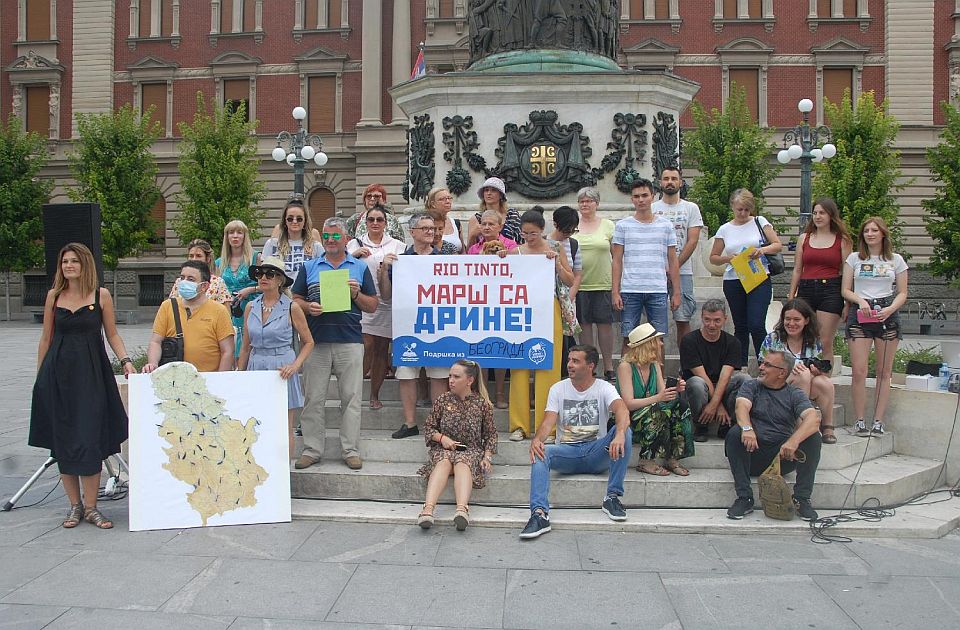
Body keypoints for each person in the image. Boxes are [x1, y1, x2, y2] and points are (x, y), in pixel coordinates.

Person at [29, 243, 135, 530]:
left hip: (91, 374)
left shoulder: (100, 295)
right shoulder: (54, 296)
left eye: (74, 261)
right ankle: (74, 506)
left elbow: (111, 333)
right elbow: (45, 339)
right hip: (59, 374)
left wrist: (125, 360)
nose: (69, 266)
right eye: (65, 261)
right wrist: (40, 377)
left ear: (84, 264)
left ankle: (92, 507)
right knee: (63, 440)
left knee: (89, 438)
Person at [519, 345, 632, 539]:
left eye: (575, 361)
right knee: (541, 451)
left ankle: (612, 498)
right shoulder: (558, 388)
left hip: (596, 452)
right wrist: (538, 439)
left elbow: (622, 410)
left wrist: (620, 432)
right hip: (567, 453)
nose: (569, 365)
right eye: (569, 360)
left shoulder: (605, 387)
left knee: (626, 432)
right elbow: (548, 422)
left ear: (590, 366)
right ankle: (539, 514)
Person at [292, 217, 378, 470]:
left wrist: (356, 295)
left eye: (335, 236)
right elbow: (295, 300)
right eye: (326, 237)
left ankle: (350, 450)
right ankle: (311, 449)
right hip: (315, 342)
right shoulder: (309, 267)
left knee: (351, 399)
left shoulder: (360, 267)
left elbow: (372, 305)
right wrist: (308, 306)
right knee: (313, 399)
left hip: (350, 340)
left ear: (345, 239)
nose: (330, 241)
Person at [725, 350, 822, 521]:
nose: (761, 367)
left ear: (782, 373)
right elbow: (741, 406)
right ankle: (744, 498)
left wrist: (793, 441)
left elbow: (813, 419)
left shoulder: (794, 394)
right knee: (734, 433)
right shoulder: (751, 386)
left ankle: (801, 498)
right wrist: (747, 429)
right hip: (752, 453)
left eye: (767, 365)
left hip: (782, 458)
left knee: (813, 437)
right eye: (762, 363)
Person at [506, 209, 574, 442]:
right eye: (524, 233)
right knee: (519, 366)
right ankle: (519, 425)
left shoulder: (555, 248)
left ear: (542, 230)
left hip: (549, 308)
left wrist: (557, 266)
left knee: (549, 366)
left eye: (533, 233)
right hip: (521, 311)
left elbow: (571, 280)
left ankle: (548, 426)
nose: (528, 237)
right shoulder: (515, 251)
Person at [379, 213, 450, 438]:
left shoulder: (445, 259)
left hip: (438, 325)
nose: (431, 232)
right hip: (408, 326)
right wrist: (384, 270)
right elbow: (386, 295)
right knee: (407, 373)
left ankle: (437, 425)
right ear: (413, 232)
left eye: (432, 228)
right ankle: (410, 423)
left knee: (438, 375)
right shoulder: (401, 260)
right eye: (425, 228)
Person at [238, 256, 315, 458]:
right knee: (256, 424)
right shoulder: (250, 307)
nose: (264, 277)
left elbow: (309, 341)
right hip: (256, 365)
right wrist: (239, 374)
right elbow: (245, 347)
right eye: (260, 274)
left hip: (282, 367)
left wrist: (296, 365)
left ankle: (284, 475)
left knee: (283, 425)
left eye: (270, 274)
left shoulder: (292, 307)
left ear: (280, 280)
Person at [841, 216, 908, 437]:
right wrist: (860, 301)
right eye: (866, 230)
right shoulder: (854, 259)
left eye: (874, 230)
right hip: (861, 313)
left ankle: (878, 421)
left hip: (887, 313)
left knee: (883, 371)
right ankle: (859, 420)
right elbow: (846, 289)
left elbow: (903, 292)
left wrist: (889, 310)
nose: (870, 234)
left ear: (883, 234)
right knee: (859, 371)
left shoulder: (896, 260)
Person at [416, 360, 497, 531]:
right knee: (444, 461)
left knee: (462, 462)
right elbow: (429, 427)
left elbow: (490, 434)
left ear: (470, 380)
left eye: (456, 377)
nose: (451, 380)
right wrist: (442, 438)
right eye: (450, 376)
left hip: (470, 450)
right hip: (444, 448)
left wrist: (487, 456)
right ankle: (428, 509)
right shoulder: (443, 400)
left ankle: (462, 510)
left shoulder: (482, 404)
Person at [710, 188, 783, 366]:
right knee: (740, 326)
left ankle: (765, 363)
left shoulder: (760, 222)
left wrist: (762, 250)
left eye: (746, 210)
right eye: (739, 209)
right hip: (734, 279)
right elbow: (714, 257)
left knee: (756, 324)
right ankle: (739, 366)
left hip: (758, 277)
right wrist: (729, 259)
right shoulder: (724, 229)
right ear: (732, 208)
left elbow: (777, 245)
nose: (743, 213)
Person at [346, 204, 406, 410]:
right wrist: (353, 257)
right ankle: (354, 392)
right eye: (371, 220)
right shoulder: (354, 244)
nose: (375, 223)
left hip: (389, 303)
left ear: (386, 223)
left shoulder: (398, 245)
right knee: (366, 347)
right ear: (365, 222)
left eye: (379, 220)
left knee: (382, 350)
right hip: (363, 300)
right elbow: (341, 266)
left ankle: (374, 394)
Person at [612, 178, 680, 352]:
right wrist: (615, 291)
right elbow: (617, 260)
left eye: (644, 195)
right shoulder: (622, 226)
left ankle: (659, 379)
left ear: (653, 196)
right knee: (628, 336)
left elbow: (673, 261)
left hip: (657, 288)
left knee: (658, 339)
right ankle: (624, 378)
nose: (641, 200)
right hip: (630, 289)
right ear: (632, 199)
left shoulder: (666, 225)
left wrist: (676, 292)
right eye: (636, 196)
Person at [617, 323, 693, 476]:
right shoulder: (625, 367)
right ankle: (646, 460)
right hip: (629, 417)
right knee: (657, 411)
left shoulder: (654, 365)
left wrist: (674, 390)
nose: (661, 344)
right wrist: (658, 398)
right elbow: (628, 403)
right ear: (648, 344)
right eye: (658, 340)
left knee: (681, 405)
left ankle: (673, 456)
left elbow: (662, 395)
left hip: (652, 410)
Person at [760, 298, 838, 445]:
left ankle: (827, 426)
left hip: (805, 382)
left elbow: (819, 364)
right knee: (803, 374)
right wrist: (788, 370)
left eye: (797, 319)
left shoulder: (813, 341)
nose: (791, 324)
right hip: (778, 383)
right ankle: (799, 426)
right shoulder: (773, 338)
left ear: (806, 321)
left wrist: (816, 371)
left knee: (825, 382)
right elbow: (763, 367)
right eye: (787, 319)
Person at [466, 209, 519, 407]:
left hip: (503, 302)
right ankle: (483, 393)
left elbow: (520, 269)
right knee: (481, 349)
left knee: (501, 348)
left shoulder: (512, 246)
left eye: (491, 224)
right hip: (479, 302)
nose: (486, 227)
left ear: (500, 226)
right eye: (484, 224)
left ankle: (500, 393)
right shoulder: (473, 249)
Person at [788, 197, 852, 361]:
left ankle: (824, 382)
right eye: (815, 213)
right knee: (802, 338)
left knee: (824, 341)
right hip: (806, 288)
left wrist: (847, 302)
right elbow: (797, 269)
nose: (817, 216)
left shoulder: (842, 240)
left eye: (822, 213)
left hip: (831, 289)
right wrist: (791, 296)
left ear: (831, 215)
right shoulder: (805, 238)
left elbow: (847, 271)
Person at [143, 260, 235, 373]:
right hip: (173, 380)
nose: (184, 282)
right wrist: (153, 364)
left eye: (191, 279)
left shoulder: (219, 311)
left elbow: (227, 351)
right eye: (182, 278)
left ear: (204, 286)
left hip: (207, 379)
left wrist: (220, 380)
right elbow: (155, 342)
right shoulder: (167, 306)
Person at [679, 299, 749, 442]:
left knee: (745, 379)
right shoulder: (689, 341)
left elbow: (725, 376)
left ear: (725, 319)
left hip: (721, 387)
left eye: (717, 320)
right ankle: (701, 425)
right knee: (697, 383)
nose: (711, 325)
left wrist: (717, 404)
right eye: (707, 320)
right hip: (699, 388)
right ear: (702, 318)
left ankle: (729, 424)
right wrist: (717, 406)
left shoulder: (733, 342)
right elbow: (702, 375)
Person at [652, 167, 704, 347]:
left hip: (683, 272)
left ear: (681, 182)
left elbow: (693, 240)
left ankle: (686, 366)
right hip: (656, 273)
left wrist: (674, 266)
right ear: (660, 183)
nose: (670, 182)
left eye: (674, 178)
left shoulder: (691, 208)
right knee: (655, 324)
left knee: (683, 319)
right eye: (666, 178)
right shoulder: (652, 209)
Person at [574, 187, 617, 381]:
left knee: (605, 326)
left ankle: (609, 366)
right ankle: (589, 366)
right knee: (584, 327)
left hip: (603, 282)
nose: (585, 204)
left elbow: (617, 256)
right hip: (579, 284)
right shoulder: (573, 225)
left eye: (589, 201)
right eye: (582, 201)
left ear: (597, 204)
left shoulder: (608, 225)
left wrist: (617, 285)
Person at [216, 220, 259, 358]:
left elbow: (267, 285)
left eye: (239, 232)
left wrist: (250, 289)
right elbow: (216, 289)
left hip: (251, 308)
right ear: (226, 236)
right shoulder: (219, 262)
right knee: (230, 349)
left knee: (249, 349)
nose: (235, 236)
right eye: (231, 232)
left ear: (245, 236)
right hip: (229, 311)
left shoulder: (255, 258)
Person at [549, 205, 583, 375]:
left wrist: (571, 295)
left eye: (572, 230)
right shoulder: (544, 242)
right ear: (555, 224)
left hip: (568, 298)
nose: (568, 234)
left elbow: (577, 274)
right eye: (565, 230)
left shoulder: (574, 244)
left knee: (566, 337)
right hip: (549, 298)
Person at [260, 200, 320, 282]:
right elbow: (264, 274)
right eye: (290, 219)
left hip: (306, 293)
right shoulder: (272, 244)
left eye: (299, 219)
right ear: (285, 221)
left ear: (305, 221)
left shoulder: (316, 246)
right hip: (279, 292)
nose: (294, 221)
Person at [170, 238, 232, 304]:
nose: (194, 259)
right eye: (191, 256)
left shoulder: (217, 283)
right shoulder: (180, 282)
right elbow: (171, 306)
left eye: (198, 256)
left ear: (208, 259)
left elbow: (226, 312)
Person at [466, 176, 523, 246]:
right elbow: (469, 252)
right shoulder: (476, 218)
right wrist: (473, 236)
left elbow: (521, 242)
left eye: (493, 190)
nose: (489, 193)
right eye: (486, 190)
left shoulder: (512, 215)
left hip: (510, 255)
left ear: (501, 195)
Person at [426, 186, 464, 253]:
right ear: (433, 204)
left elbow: (463, 251)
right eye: (442, 199)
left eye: (449, 198)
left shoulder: (456, 223)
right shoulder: (425, 223)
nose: (447, 201)